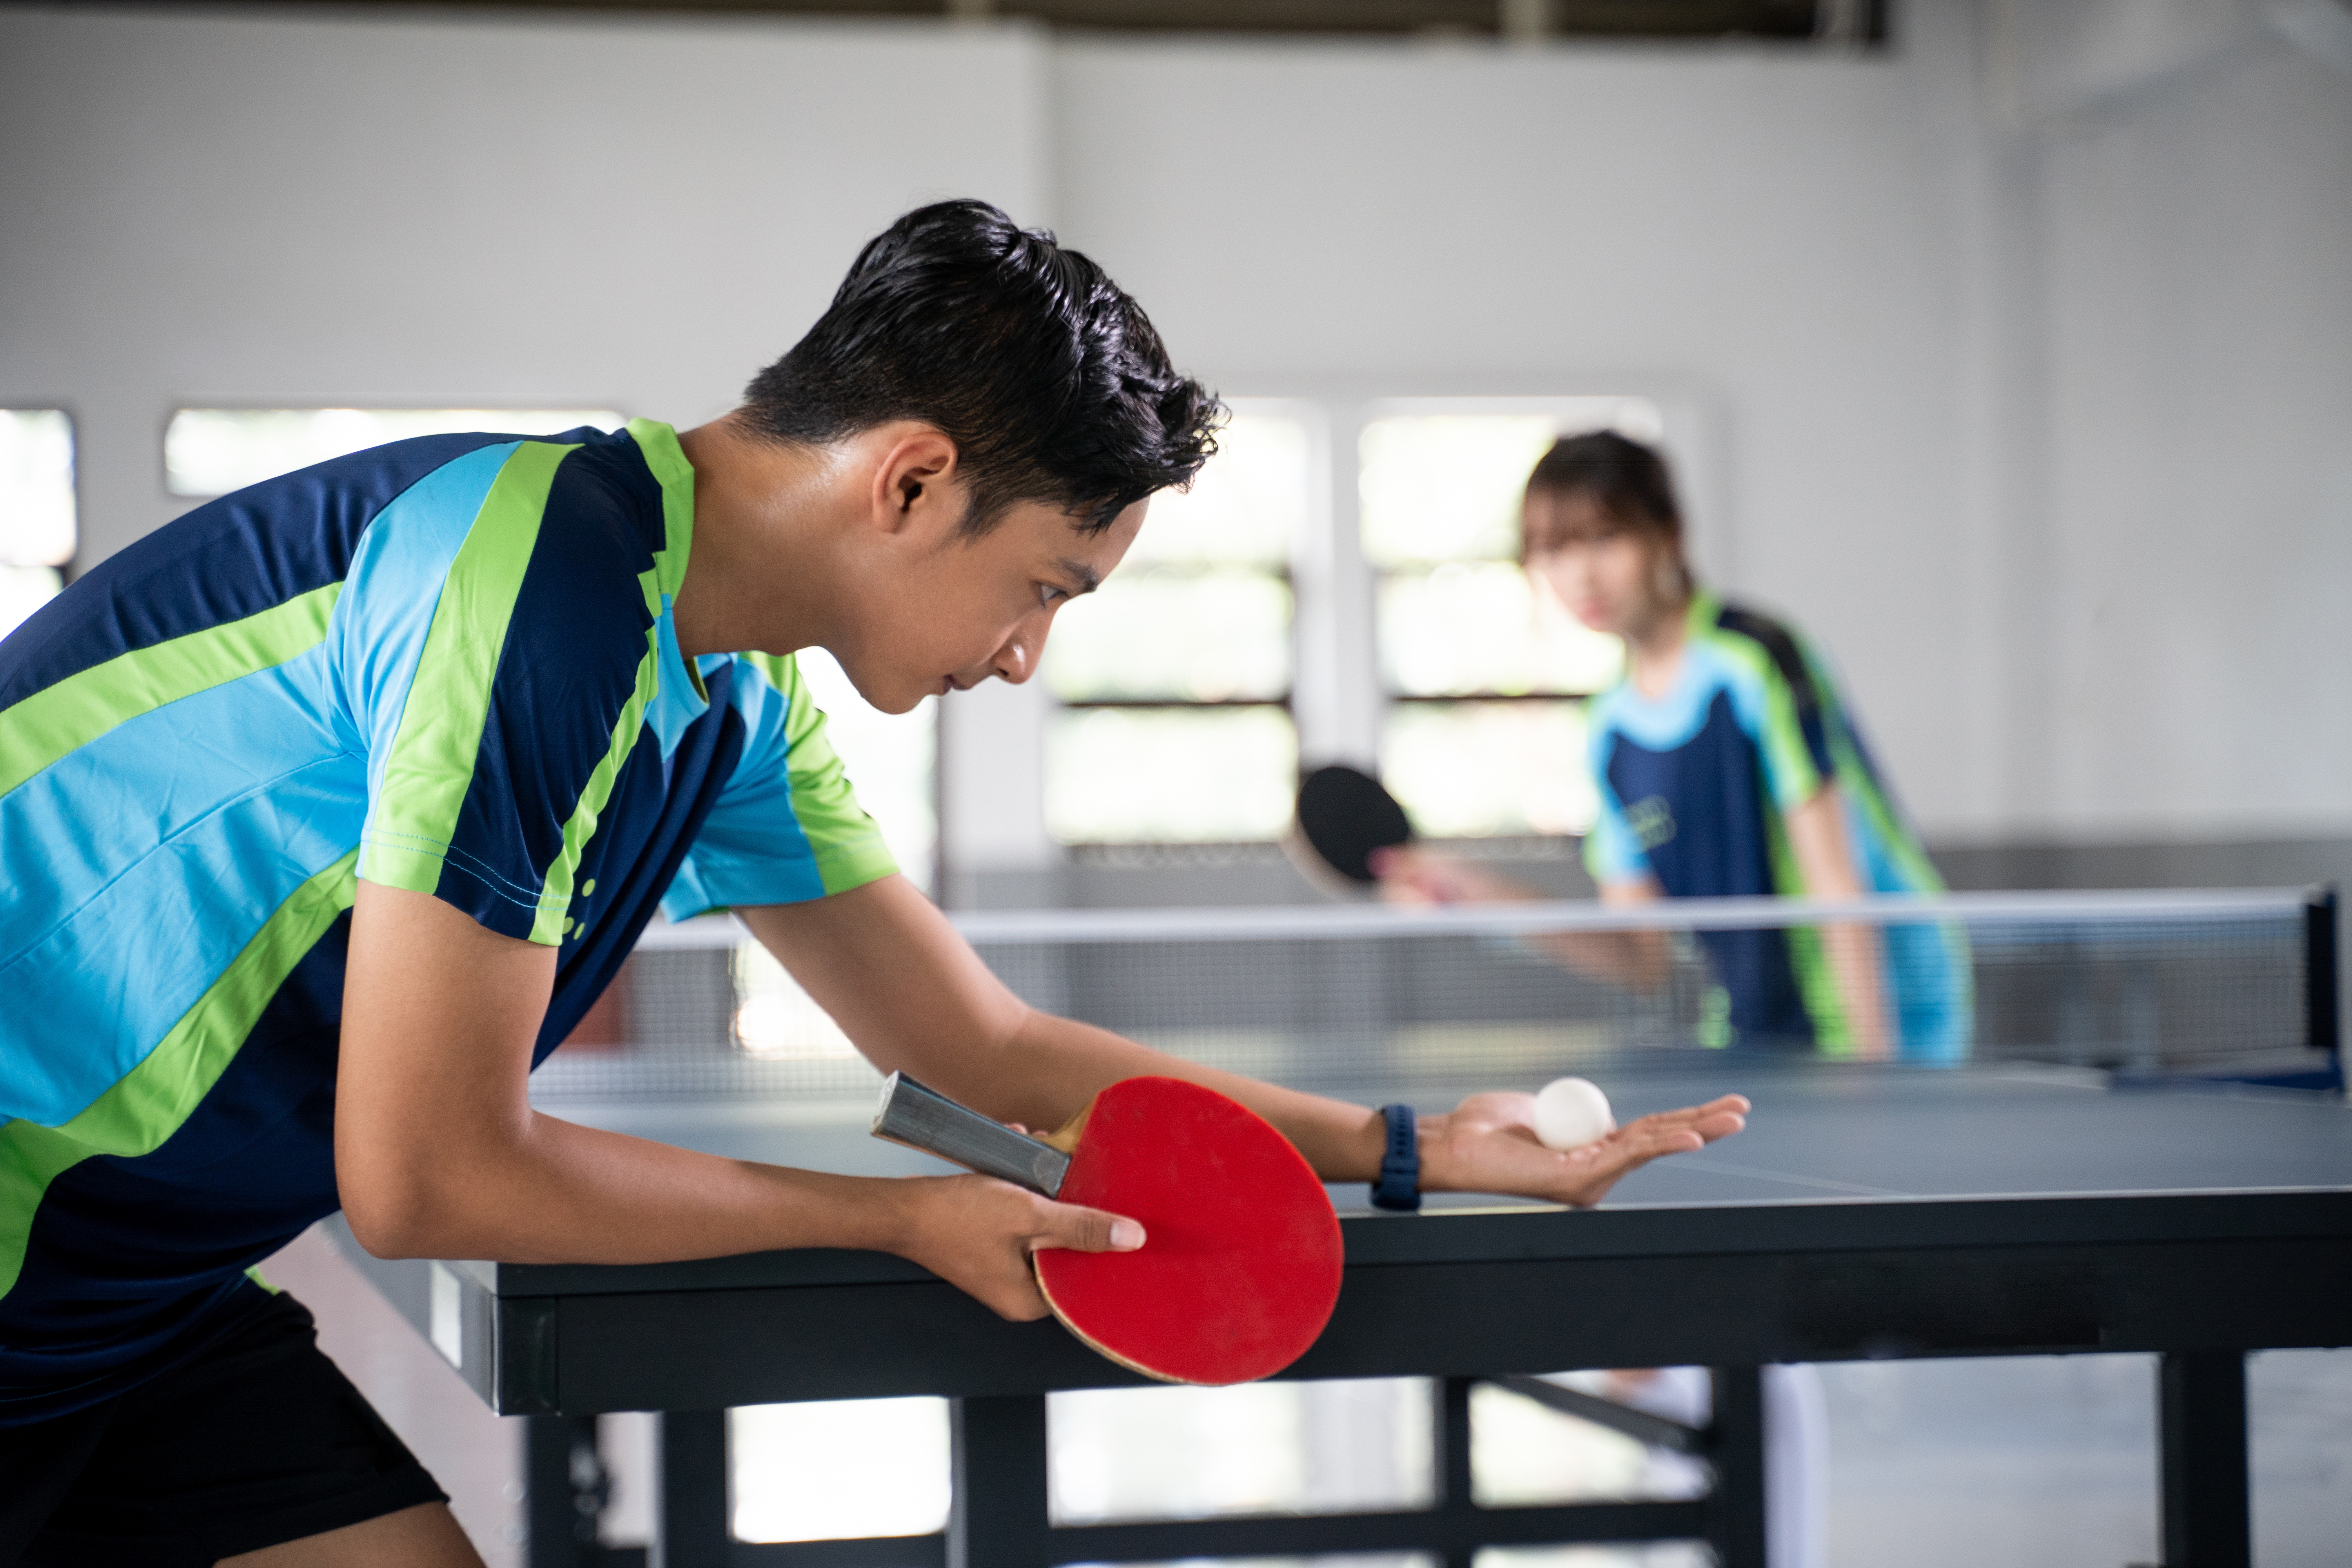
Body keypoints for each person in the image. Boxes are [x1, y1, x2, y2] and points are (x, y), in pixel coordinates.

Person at [0, 203, 1748, 1566]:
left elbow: (981, 1054)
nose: (1026, 657)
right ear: (912, 479)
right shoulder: (535, 588)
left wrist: (1421, 1147)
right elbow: (426, 1169)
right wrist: (899, 1215)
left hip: (128, 1295)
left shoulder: (732, 699)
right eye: (1047, 585)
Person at [1382, 431, 1966, 1061]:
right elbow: (1641, 957)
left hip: (1885, 1006)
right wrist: (1476, 894)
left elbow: (1836, 884)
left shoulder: (1755, 659)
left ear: (1668, 532)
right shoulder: (1609, 729)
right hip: (1754, 1020)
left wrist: (1874, 1068)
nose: (1581, 574)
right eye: (1554, 550)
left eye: (1605, 538)